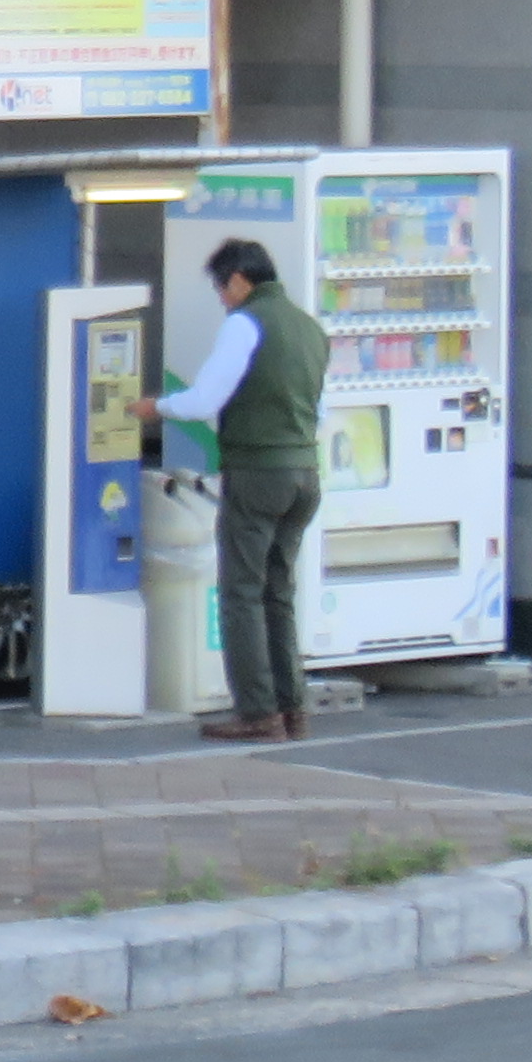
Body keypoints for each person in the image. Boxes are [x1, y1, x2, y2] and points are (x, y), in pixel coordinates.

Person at [157, 239, 331, 742]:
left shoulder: (245, 324)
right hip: (305, 473)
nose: (221, 299)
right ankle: (293, 708)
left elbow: (204, 399)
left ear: (238, 280)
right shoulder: (309, 328)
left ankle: (258, 712)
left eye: (221, 288)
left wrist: (156, 407)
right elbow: (320, 411)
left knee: (241, 593)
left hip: (258, 472)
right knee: (279, 592)